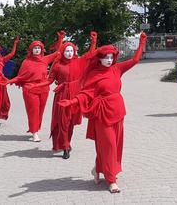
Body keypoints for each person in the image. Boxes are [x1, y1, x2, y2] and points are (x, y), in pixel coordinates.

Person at [60, 32, 147, 193]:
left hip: (118, 111)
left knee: (115, 145)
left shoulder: (117, 69)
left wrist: (141, 42)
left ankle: (99, 169)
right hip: (102, 114)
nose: (109, 60)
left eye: (111, 57)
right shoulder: (94, 74)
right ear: (99, 58)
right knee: (109, 146)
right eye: (105, 57)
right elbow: (86, 94)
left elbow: (135, 60)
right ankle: (111, 180)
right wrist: (72, 101)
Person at [32, 31, 98, 159]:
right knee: (63, 122)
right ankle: (65, 146)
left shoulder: (79, 61)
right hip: (62, 95)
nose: (69, 53)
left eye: (71, 51)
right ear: (62, 52)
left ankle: (67, 142)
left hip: (75, 94)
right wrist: (36, 85)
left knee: (71, 123)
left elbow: (90, 54)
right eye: (67, 51)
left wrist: (93, 41)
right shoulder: (57, 65)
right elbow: (49, 80)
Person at [6, 32, 64, 142]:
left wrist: (60, 39)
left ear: (42, 50)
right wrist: (9, 81)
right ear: (31, 50)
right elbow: (20, 77)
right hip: (30, 89)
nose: (37, 50)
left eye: (39, 48)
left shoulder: (45, 59)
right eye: (35, 48)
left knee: (40, 111)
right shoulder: (26, 62)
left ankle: (35, 129)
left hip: (43, 89)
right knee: (33, 111)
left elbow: (59, 52)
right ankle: (35, 133)